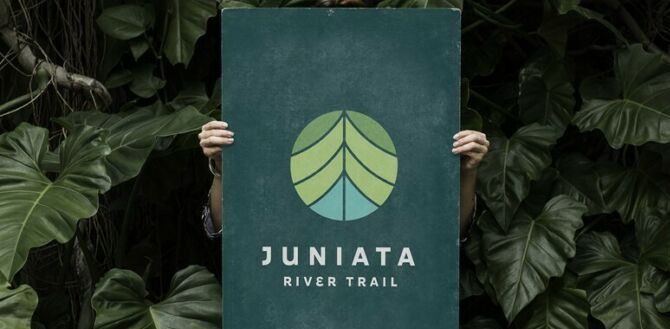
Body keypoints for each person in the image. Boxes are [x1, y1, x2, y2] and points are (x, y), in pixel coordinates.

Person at [199, 120, 489, 240]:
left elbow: (448, 235)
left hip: (389, 325)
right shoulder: (275, 111)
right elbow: (224, 230)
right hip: (287, 322)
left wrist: (466, 170)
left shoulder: (408, 116)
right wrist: (223, 165)